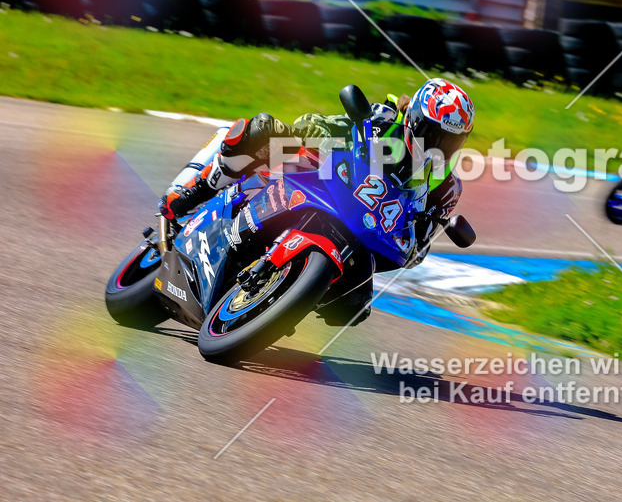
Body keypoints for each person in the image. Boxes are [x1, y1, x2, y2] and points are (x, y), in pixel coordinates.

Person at [158, 77, 475, 325]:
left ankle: (289, 294)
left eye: (451, 140)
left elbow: (418, 248)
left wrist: (423, 235)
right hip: (321, 179)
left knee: (352, 310)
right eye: (431, 133)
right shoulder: (384, 120)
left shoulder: (447, 186)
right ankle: (191, 194)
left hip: (360, 233)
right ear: (413, 119)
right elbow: (323, 126)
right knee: (260, 131)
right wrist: (312, 139)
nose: (438, 145)